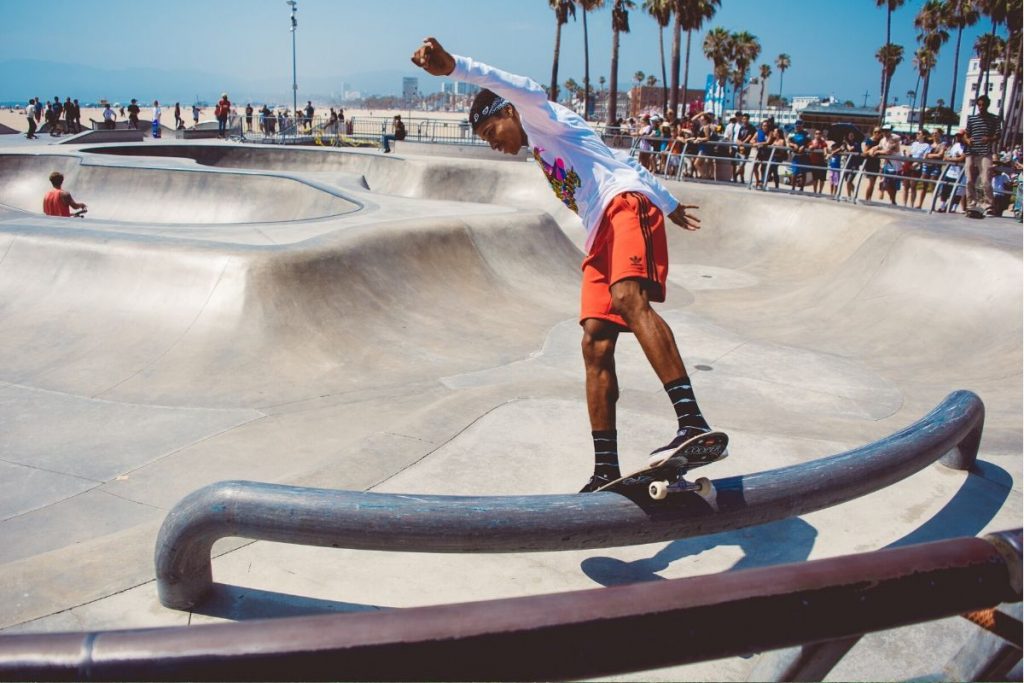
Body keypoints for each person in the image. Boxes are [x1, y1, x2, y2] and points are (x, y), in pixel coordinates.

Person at [411, 37, 715, 492]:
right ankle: (606, 469)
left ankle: (692, 421)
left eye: (491, 133)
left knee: (629, 300)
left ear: (508, 112)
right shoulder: (541, 146)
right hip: (599, 233)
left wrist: (455, 67)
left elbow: (514, 84)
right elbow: (619, 157)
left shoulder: (540, 116)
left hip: (623, 206)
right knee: (594, 342)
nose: (492, 145)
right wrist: (670, 201)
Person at [963, 94, 1001, 216]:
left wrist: (989, 138)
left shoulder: (994, 119)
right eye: (979, 105)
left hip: (985, 151)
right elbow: (966, 134)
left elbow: (998, 135)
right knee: (969, 180)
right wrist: (967, 140)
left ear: (987, 105)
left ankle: (989, 205)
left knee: (985, 179)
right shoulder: (972, 119)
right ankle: (971, 204)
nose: (981, 107)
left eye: (983, 105)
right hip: (971, 151)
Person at [787, 120, 810, 191]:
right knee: (794, 172)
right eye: (797, 126)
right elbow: (788, 142)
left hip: (804, 155)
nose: (798, 127)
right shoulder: (792, 133)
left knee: (803, 172)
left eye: (799, 126)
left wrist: (804, 146)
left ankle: (802, 188)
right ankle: (793, 188)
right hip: (796, 155)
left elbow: (810, 142)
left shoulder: (806, 133)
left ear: (802, 126)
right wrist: (793, 144)